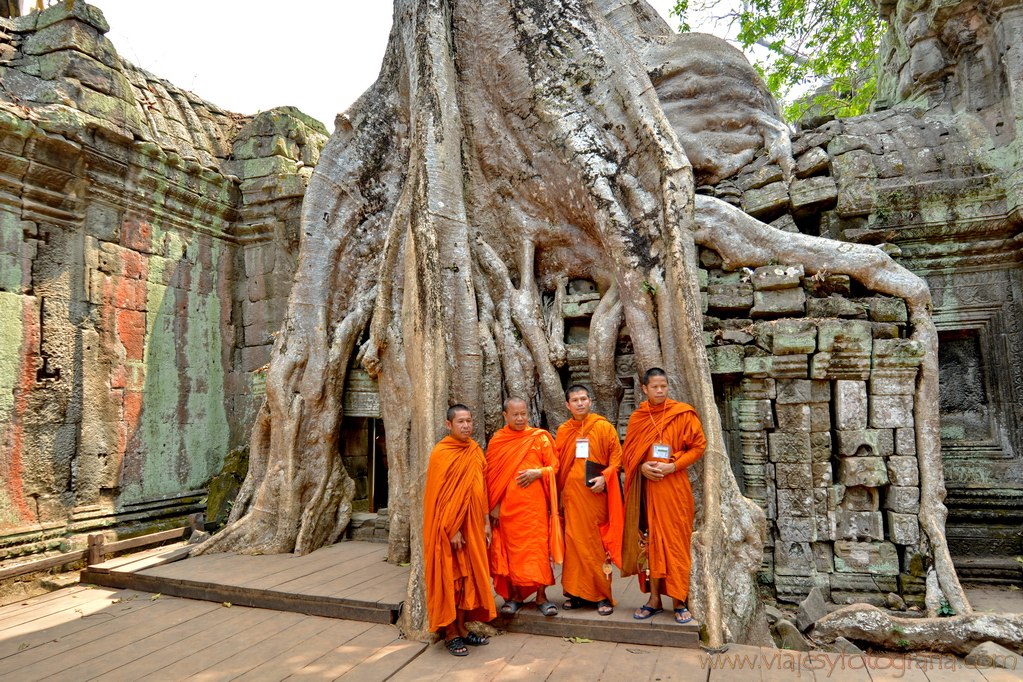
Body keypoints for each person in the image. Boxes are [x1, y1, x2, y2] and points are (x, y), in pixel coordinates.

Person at [621, 368, 706, 625]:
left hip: (675, 489)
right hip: (648, 492)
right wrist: (642, 466)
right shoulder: (638, 417)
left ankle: (679, 601)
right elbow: (628, 455)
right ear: (644, 389)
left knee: (676, 545)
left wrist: (673, 465)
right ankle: (654, 600)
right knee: (652, 545)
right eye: (655, 387)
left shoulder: (682, 413)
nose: (660, 390)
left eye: (664, 386)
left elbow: (699, 446)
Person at [423, 404, 496, 656]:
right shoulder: (441, 453)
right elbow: (438, 497)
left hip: (474, 524)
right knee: (452, 578)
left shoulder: (475, 451)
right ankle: (450, 632)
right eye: (460, 422)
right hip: (450, 531)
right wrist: (452, 529)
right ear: (448, 425)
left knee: (470, 578)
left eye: (469, 421)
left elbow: (482, 488)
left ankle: (463, 628)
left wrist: (486, 520)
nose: (466, 426)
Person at [486, 397, 563, 617]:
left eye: (523, 414)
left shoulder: (540, 438)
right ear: (505, 416)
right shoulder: (498, 441)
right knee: (512, 552)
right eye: (515, 415)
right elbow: (491, 477)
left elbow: (554, 466)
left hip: (535, 508)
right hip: (508, 509)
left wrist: (538, 472)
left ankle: (541, 596)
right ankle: (515, 597)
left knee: (538, 550)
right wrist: (494, 506)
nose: (520, 418)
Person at [554, 385, 624, 616]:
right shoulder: (564, 430)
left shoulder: (603, 427)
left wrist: (605, 478)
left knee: (596, 546)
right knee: (574, 545)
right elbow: (557, 464)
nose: (580, 403)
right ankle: (575, 593)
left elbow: (617, 459)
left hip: (595, 499)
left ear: (590, 401)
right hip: (572, 499)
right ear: (568, 405)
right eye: (575, 400)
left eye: (584, 399)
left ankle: (602, 595)